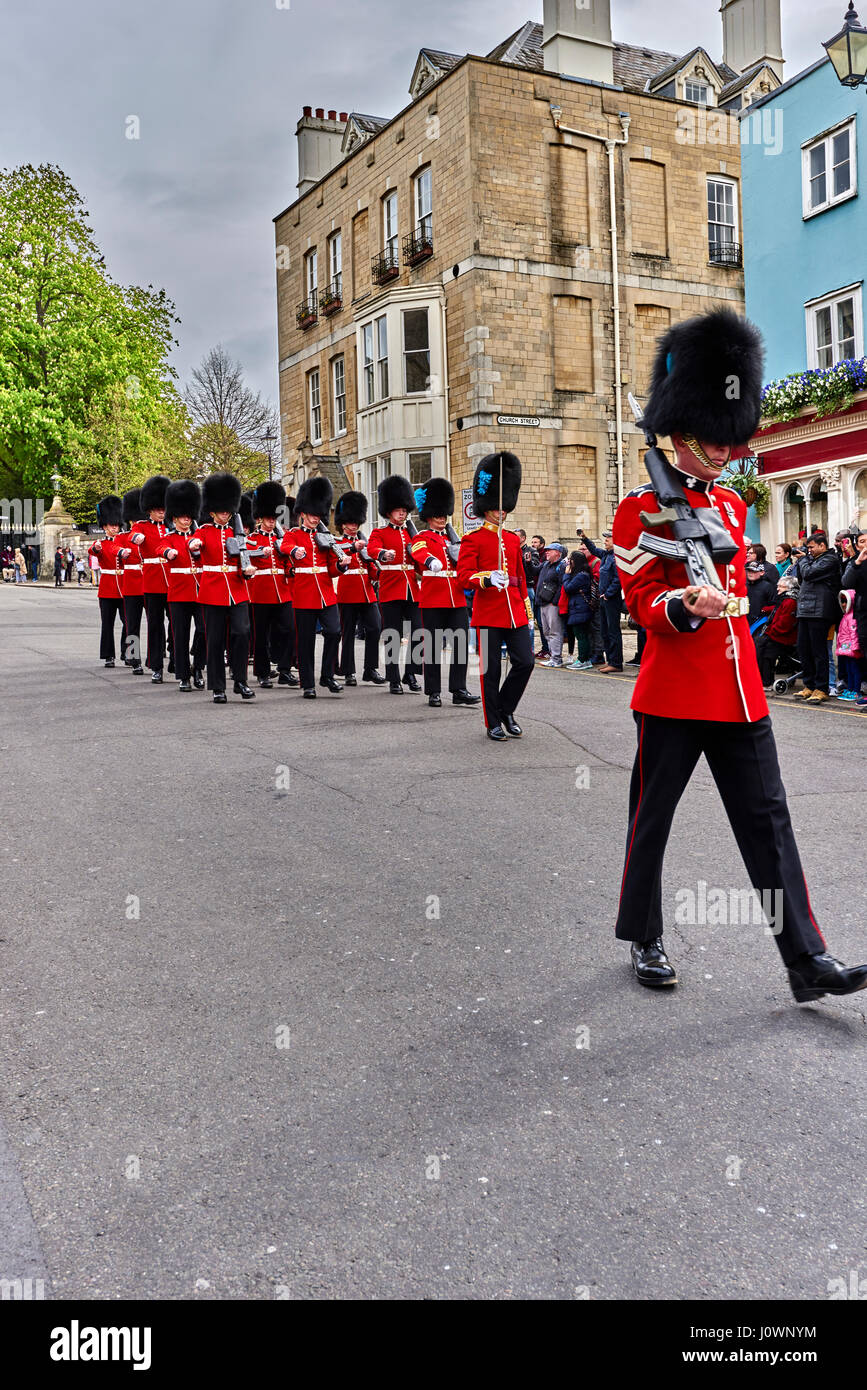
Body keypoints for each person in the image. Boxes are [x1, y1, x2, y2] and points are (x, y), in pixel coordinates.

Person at [612, 307, 866, 1004]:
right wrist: (678, 609)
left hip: (739, 690)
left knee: (768, 823)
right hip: (672, 691)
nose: (725, 452)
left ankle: (805, 960)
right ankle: (644, 933)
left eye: (728, 439)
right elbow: (639, 598)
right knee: (651, 820)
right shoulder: (641, 508)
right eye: (711, 440)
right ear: (677, 433)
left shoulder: (727, 506)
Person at [456, 450, 534, 742]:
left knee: (525, 662)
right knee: (489, 673)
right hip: (488, 614)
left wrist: (527, 612)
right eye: (497, 507)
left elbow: (521, 579)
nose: (502, 511)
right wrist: (486, 578)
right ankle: (493, 721)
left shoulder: (513, 539)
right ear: (486, 508)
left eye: (505, 507)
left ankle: (506, 709)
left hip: (514, 611)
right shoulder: (472, 539)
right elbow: (464, 575)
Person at [409, 477, 480, 708]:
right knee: (432, 647)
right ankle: (433, 691)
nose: (442, 519)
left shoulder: (455, 539)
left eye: (444, 515)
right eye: (438, 515)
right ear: (429, 516)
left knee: (460, 646)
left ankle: (458, 689)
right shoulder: (422, 537)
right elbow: (417, 552)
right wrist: (430, 560)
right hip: (433, 599)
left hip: (456, 598)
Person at [187, 471, 256, 703]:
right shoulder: (204, 531)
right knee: (215, 640)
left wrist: (247, 569)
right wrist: (194, 544)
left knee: (242, 632)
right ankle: (217, 686)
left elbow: (244, 557)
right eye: (221, 510)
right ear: (212, 511)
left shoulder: (237, 532)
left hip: (237, 589)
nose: (225, 514)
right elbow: (194, 543)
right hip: (213, 591)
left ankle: (240, 681)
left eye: (228, 510)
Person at [278, 475, 347, 697]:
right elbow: (285, 545)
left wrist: (341, 565)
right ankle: (308, 683)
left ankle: (327, 675)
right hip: (304, 594)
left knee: (335, 632)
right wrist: (294, 552)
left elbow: (330, 568)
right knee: (305, 641)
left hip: (326, 593)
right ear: (304, 514)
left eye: (319, 515)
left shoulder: (325, 537)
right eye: (313, 515)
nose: (316, 518)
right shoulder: (294, 534)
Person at [367, 476, 423, 694]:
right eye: (398, 510)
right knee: (393, 635)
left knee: (419, 632)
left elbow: (419, 559)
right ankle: (393, 678)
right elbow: (372, 550)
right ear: (388, 511)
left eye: (404, 510)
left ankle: (410, 672)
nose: (402, 513)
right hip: (391, 589)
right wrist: (383, 554)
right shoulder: (379, 533)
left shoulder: (412, 534)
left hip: (412, 589)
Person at [246, 480, 298, 689]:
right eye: (268, 519)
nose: (271, 522)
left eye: (273, 518)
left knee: (289, 629)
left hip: (282, 591)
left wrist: (290, 567)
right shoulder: (251, 539)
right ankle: (262, 672)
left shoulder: (282, 538)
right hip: (261, 592)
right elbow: (246, 557)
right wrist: (260, 552)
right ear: (259, 519)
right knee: (261, 635)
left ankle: (285, 669)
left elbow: (287, 561)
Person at [333, 490, 383, 687]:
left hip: (367, 593)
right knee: (347, 633)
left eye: (356, 522)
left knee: (374, 627)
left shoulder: (365, 542)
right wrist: (355, 548)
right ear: (343, 524)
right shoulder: (338, 542)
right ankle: (348, 671)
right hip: (347, 592)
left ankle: (370, 669)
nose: (353, 526)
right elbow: (339, 558)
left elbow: (370, 567)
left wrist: (378, 572)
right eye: (350, 523)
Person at [160, 479, 206, 691]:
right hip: (178, 592)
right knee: (180, 634)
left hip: (200, 590)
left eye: (189, 516)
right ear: (175, 517)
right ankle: (183, 675)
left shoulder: (199, 536)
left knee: (204, 630)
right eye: (182, 516)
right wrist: (169, 553)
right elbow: (161, 548)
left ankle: (198, 667)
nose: (186, 520)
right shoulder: (169, 538)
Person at [129, 475, 173, 684]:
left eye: (163, 508)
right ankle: (145, 661)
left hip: (172, 582)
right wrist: (138, 538)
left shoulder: (172, 527)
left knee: (176, 625)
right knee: (152, 626)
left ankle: (176, 658)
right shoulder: (141, 526)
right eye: (157, 509)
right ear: (149, 510)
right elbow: (132, 537)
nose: (161, 512)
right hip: (148, 583)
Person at [792, 532, 842, 704]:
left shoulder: (830, 559)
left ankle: (822, 688)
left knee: (819, 651)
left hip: (821, 610)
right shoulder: (810, 560)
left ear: (822, 546)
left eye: (812, 547)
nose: (809, 550)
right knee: (804, 649)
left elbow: (808, 574)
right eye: (808, 547)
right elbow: (801, 577)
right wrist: (803, 560)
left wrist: (803, 559)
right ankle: (809, 685)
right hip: (805, 608)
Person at [88, 495, 126, 667]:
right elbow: (93, 550)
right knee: (107, 624)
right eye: (112, 525)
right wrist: (95, 548)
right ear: (104, 526)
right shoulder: (100, 543)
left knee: (129, 624)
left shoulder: (125, 542)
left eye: (117, 525)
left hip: (125, 588)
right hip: (108, 589)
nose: (115, 528)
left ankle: (129, 654)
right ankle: (108, 655)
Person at [579, 527, 624, 672]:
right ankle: (610, 660)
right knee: (604, 631)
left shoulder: (617, 557)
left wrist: (608, 593)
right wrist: (585, 538)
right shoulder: (606, 555)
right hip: (604, 598)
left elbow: (618, 579)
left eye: (608, 538)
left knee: (613, 631)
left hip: (611, 599)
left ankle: (616, 663)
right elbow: (593, 550)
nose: (605, 541)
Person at [116, 489, 146, 673]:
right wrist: (121, 552)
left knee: (156, 622)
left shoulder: (151, 534)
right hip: (132, 585)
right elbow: (114, 548)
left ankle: (155, 657)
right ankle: (133, 658)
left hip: (151, 583)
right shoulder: (122, 537)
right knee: (132, 624)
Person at [754, 574, 799, 689]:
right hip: (777, 634)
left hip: (784, 637)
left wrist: (769, 632)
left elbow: (784, 625)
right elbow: (776, 611)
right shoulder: (784, 599)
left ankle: (766, 681)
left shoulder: (790, 601)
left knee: (765, 649)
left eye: (781, 587)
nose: (778, 588)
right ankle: (761, 679)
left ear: (789, 588)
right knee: (759, 643)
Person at [842, 529, 867, 707]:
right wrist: (857, 561)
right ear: (857, 546)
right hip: (863, 613)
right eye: (862, 542)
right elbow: (846, 583)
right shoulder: (855, 563)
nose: (865, 545)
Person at [536, 542, 567, 666]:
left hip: (552, 604)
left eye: (550, 550)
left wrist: (555, 601)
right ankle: (552, 656)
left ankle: (556, 659)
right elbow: (533, 570)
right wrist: (527, 562)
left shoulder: (561, 566)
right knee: (546, 632)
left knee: (555, 631)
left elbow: (562, 585)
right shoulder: (546, 564)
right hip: (543, 602)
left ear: (558, 553)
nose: (547, 552)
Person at [561, 550, 593, 668]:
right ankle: (586, 659)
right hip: (578, 607)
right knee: (582, 634)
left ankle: (582, 660)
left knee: (580, 635)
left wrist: (566, 575)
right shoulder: (583, 574)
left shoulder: (581, 575)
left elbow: (568, 588)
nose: (569, 562)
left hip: (580, 608)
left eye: (571, 560)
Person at [745, 560, 777, 628]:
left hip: (760, 622)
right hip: (744, 620)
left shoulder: (767, 586)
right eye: (749, 571)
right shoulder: (743, 586)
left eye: (754, 571)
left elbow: (773, 605)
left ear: (762, 572)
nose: (750, 573)